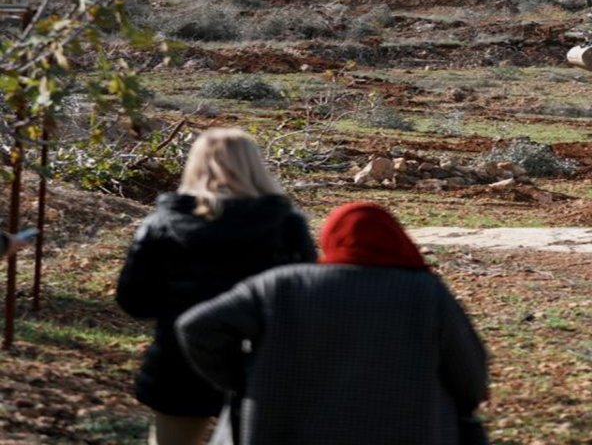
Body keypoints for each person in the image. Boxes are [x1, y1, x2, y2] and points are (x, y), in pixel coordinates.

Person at [176, 201, 489, 445]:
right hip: (406, 431)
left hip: (283, 429)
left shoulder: (280, 285)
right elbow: (470, 377)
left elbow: (197, 327)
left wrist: (243, 379)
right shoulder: (425, 292)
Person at [116, 128, 318, 445]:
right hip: (261, 364)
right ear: (255, 165)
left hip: (179, 361)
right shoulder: (287, 224)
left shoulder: (163, 223)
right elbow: (306, 295)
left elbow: (134, 300)